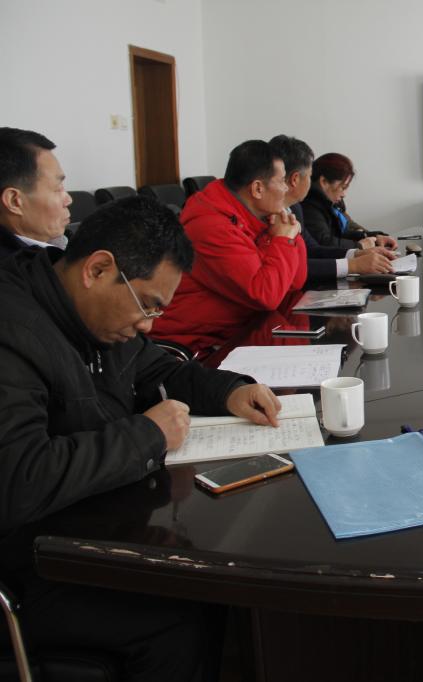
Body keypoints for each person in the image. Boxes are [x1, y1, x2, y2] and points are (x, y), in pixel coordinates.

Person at [0, 195, 282, 681]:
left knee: (209, 585)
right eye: (147, 305)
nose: (149, 324)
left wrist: (230, 390)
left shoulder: (92, 315)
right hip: (30, 568)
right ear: (98, 269)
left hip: (84, 529)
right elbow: (20, 478)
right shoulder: (13, 330)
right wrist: (147, 435)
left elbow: (159, 369)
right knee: (182, 613)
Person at [150, 140, 307, 355]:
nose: (287, 188)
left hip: (238, 329)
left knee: (295, 329)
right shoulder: (210, 226)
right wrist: (283, 239)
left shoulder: (250, 214)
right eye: (281, 181)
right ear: (258, 188)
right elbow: (265, 295)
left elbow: (295, 281)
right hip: (198, 347)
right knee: (292, 347)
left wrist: (289, 234)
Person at [268, 136, 393, 280]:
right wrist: (353, 265)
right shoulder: (279, 212)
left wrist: (356, 254)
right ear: (295, 179)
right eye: (309, 176)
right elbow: (294, 268)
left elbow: (312, 249)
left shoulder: (295, 208)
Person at [300, 152, 398, 251]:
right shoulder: (309, 206)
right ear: (324, 182)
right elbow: (325, 242)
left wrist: (375, 237)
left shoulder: (331, 201)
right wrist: (358, 246)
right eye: (343, 187)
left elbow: (341, 233)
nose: (344, 194)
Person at [0, 127, 72, 258]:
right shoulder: (14, 268)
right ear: (14, 201)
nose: (69, 200)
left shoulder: (59, 243)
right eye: (57, 188)